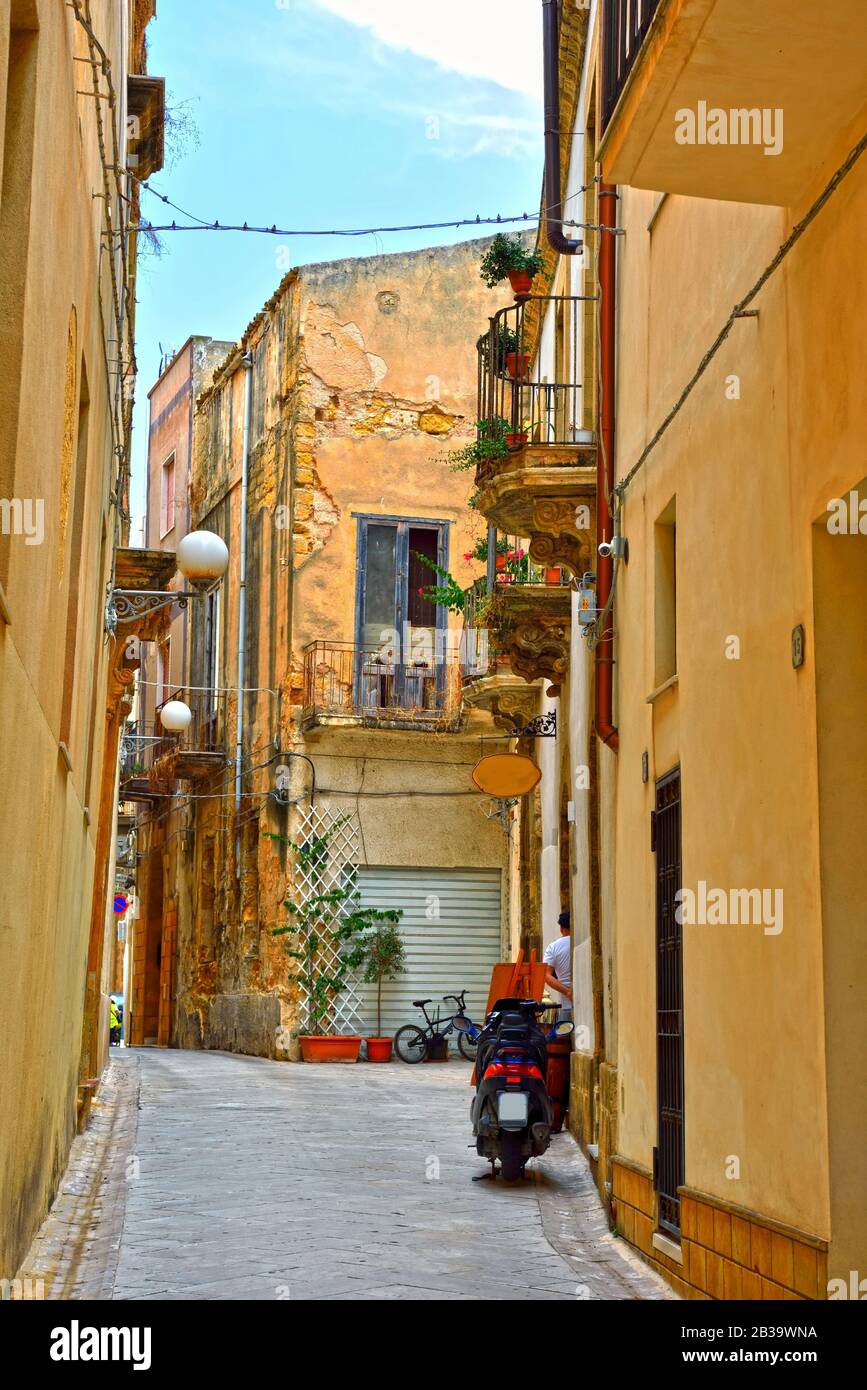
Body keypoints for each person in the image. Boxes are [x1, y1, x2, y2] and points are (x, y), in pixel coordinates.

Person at [543, 910, 573, 1021]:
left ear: (561, 928)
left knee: (563, 1034)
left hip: (566, 1003)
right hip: (586, 1000)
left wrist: (567, 991)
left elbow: (546, 976)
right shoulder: (580, 941)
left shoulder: (553, 947)